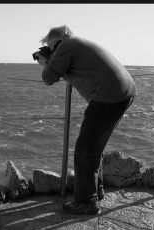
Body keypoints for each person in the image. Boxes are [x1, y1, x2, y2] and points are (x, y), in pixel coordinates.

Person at [35, 25, 136, 214]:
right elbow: (69, 71)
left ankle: (86, 202)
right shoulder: (76, 45)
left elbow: (48, 78)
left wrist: (44, 63)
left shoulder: (66, 46)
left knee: (84, 150)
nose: (51, 51)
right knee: (93, 147)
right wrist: (52, 59)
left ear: (58, 40)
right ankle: (96, 192)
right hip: (122, 93)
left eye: (50, 47)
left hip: (108, 97)